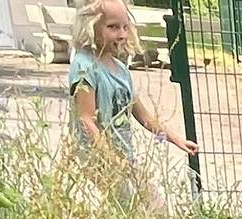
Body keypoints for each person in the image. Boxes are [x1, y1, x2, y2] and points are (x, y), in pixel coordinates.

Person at [68, 0, 198, 173]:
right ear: (91, 26)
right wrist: (111, 160)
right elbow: (86, 120)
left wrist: (175, 140)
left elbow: (145, 119)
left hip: (124, 159)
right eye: (113, 27)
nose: (122, 34)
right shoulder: (84, 66)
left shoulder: (121, 70)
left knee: (147, 199)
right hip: (97, 160)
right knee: (148, 200)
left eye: (125, 27)